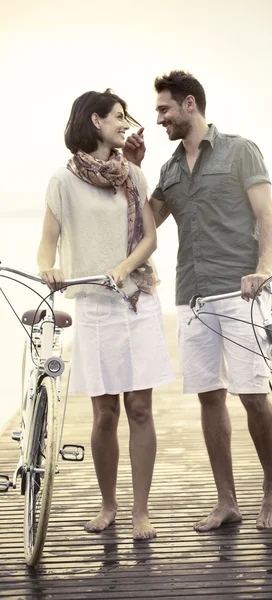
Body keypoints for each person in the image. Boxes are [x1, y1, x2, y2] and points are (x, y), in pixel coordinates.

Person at [124, 70, 272, 532]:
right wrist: (135, 170)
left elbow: (268, 219)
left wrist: (264, 271)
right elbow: (143, 224)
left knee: (253, 394)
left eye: (163, 109)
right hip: (192, 298)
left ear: (189, 104)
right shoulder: (170, 169)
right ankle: (227, 500)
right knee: (210, 399)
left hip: (241, 291)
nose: (158, 119)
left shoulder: (239, 150)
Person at [37, 89, 175, 540]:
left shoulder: (132, 175)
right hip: (94, 306)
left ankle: (140, 510)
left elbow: (149, 239)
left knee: (139, 407)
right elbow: (49, 239)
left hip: (135, 300)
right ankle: (109, 503)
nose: (125, 123)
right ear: (95, 121)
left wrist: (122, 268)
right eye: (118, 116)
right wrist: (48, 268)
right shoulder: (62, 180)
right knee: (103, 415)